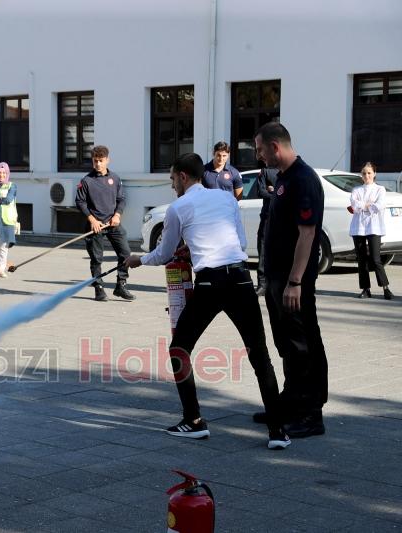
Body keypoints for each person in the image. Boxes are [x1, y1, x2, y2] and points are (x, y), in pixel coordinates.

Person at [124, 153, 290, 450]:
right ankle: (278, 431)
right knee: (259, 355)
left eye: (173, 179)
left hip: (210, 284)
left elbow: (163, 254)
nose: (173, 185)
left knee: (179, 349)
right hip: (240, 279)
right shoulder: (226, 199)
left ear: (184, 177)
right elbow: (238, 242)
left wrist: (138, 259)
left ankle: (194, 421)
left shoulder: (178, 207)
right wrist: (195, 251)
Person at [253, 122, 327, 438]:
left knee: (302, 344)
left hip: (293, 282)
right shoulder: (284, 178)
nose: (258, 156)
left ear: (275, 146)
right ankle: (290, 400)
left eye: (259, 149)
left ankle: (311, 414)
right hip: (278, 278)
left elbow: (307, 233)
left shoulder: (304, 179)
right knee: (286, 343)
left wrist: (295, 281)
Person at [75, 145, 134, 302]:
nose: (98, 164)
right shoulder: (86, 181)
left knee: (126, 254)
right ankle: (99, 288)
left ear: (107, 160)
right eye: (95, 161)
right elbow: (80, 202)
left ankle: (121, 285)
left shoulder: (114, 179)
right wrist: (92, 219)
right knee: (97, 259)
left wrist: (117, 215)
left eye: (101, 161)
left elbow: (121, 199)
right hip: (96, 226)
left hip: (112, 223)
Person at [350, 162, 393, 300]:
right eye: (364, 173)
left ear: (374, 174)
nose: (366, 175)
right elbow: (354, 206)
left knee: (376, 259)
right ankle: (365, 289)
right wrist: (367, 205)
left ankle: (386, 288)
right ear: (361, 175)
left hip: (374, 227)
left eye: (369, 173)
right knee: (361, 260)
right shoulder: (356, 190)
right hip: (358, 228)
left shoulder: (380, 189)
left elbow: (379, 206)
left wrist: (363, 205)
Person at [255, 166, 278, 296]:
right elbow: (260, 192)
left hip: (282, 217)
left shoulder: (286, 169)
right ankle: (262, 284)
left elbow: (289, 192)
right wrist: (276, 192)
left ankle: (275, 283)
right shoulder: (265, 171)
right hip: (267, 216)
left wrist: (273, 190)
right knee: (263, 251)